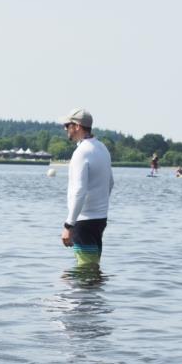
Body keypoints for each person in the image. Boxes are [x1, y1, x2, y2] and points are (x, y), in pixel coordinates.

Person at [60, 109, 113, 266]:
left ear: (77, 126)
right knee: (93, 269)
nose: (65, 129)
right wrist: (99, 206)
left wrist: (68, 225)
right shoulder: (102, 148)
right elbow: (110, 183)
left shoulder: (81, 152)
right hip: (100, 219)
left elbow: (79, 191)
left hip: (83, 221)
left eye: (67, 125)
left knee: (85, 271)